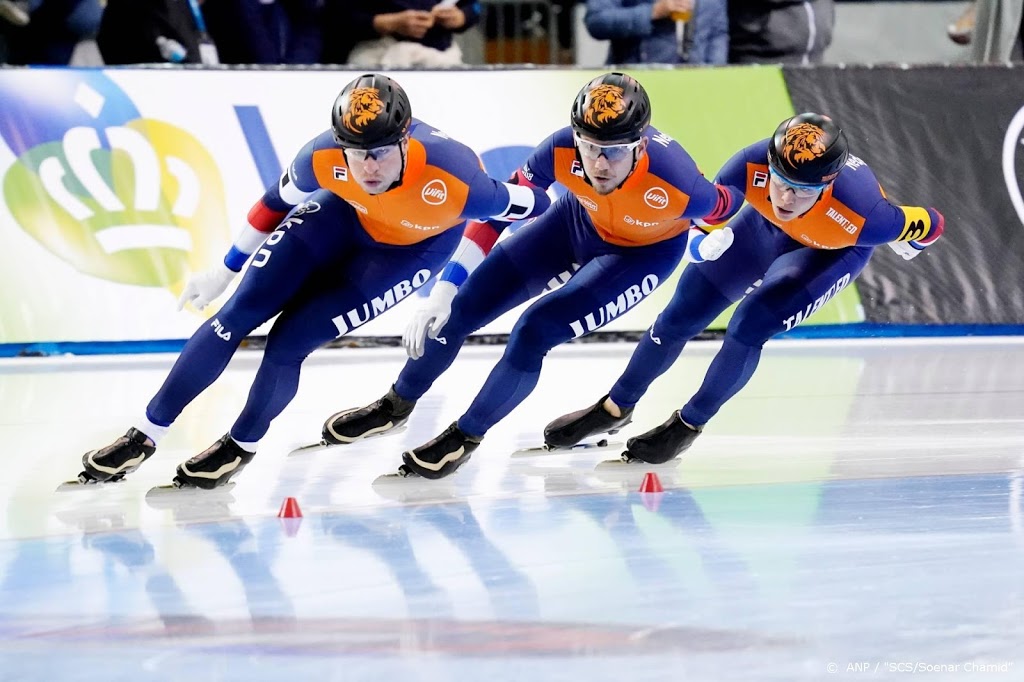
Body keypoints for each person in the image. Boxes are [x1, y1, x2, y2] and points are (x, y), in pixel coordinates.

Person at [73, 73, 551, 490]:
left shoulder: (455, 177)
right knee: (234, 315)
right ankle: (145, 433)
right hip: (338, 217)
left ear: (406, 141)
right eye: (357, 153)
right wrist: (225, 268)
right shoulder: (322, 156)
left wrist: (448, 285)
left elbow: (532, 205)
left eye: (381, 154)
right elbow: (271, 204)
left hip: (411, 252)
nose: (367, 167)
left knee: (288, 342)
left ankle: (240, 445)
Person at [320, 72, 745, 479]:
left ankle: (465, 437)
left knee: (533, 331)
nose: (598, 162)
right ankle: (396, 405)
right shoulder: (560, 148)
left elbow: (725, 204)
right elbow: (498, 213)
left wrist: (705, 236)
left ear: (640, 144)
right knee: (459, 309)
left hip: (641, 255)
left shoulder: (676, 178)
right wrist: (446, 286)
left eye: (613, 150)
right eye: (589, 146)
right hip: (572, 225)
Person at [544, 113, 945, 464]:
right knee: (680, 314)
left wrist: (913, 240)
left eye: (803, 190)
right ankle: (615, 408)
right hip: (762, 229)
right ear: (768, 166)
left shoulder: (869, 216)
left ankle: (689, 424)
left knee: (749, 324)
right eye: (781, 182)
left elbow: (934, 222)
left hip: (829, 251)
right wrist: (704, 239)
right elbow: (710, 209)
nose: (787, 197)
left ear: (827, 187)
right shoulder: (749, 163)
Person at [326, 0, 480, 68]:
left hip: (439, 56)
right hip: (378, 55)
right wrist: (388, 23)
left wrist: (461, 16)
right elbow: (337, 15)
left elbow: (475, 7)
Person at [584, 0, 728, 65]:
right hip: (636, 86)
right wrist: (653, 12)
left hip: (698, 85)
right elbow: (596, 21)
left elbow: (718, 32)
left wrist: (715, 69)